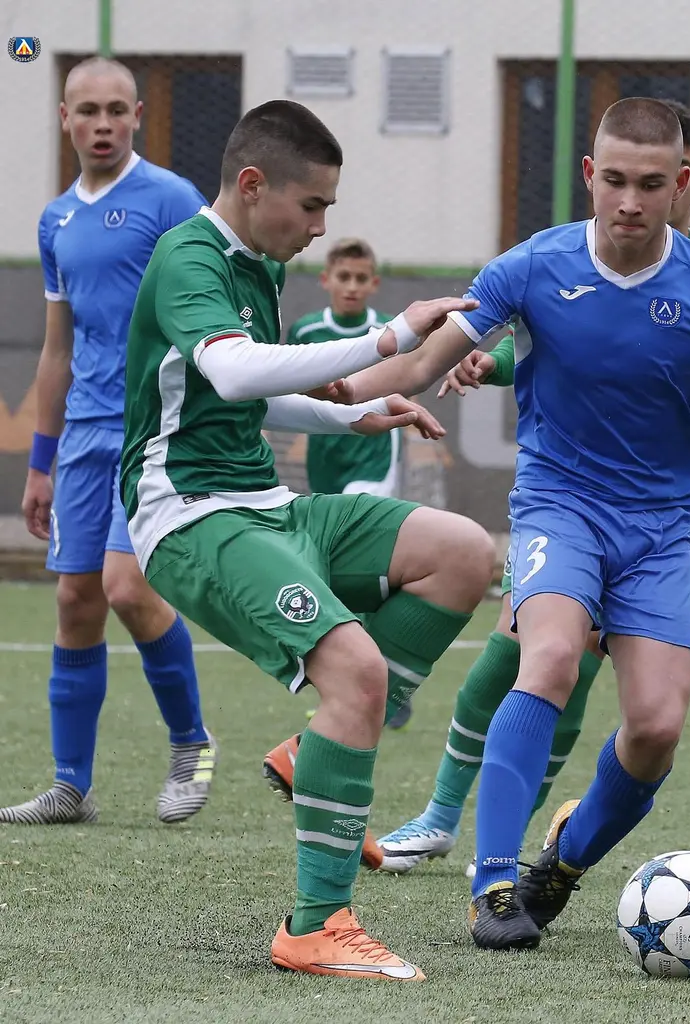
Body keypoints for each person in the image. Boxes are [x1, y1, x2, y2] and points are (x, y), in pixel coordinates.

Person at [337, 96, 690, 950]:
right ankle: (492, 884)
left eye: (649, 184)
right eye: (613, 179)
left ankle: (562, 864)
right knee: (546, 656)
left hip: (659, 526)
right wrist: (324, 388)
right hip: (559, 505)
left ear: (681, 183)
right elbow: (423, 360)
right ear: (588, 174)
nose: (629, 200)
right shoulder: (532, 265)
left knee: (654, 728)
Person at [119, 98, 495, 980]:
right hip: (192, 517)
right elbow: (230, 370)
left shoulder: (256, 265)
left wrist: (353, 414)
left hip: (267, 503)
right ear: (253, 185)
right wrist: (386, 338)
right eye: (313, 204)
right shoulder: (190, 256)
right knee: (357, 673)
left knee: (464, 553)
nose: (322, 226)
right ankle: (315, 925)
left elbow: (239, 396)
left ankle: (313, 753)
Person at [0, 57, 215, 827]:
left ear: (137, 117)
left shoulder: (172, 200)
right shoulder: (56, 219)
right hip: (83, 434)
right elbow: (57, 349)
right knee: (75, 599)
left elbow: (216, 302)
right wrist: (41, 462)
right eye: (87, 110)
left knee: (128, 588)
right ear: (64, 117)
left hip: (154, 425)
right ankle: (70, 787)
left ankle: (192, 744)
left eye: (115, 110)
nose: (101, 124)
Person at [268, 237, 412, 730]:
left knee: (356, 554)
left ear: (374, 284)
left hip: (373, 458)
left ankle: (371, 682)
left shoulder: (387, 332)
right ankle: (375, 675)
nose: (351, 286)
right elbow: (286, 382)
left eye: (360, 278)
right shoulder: (308, 330)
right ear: (326, 280)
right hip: (326, 454)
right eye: (343, 277)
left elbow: (410, 374)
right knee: (340, 568)